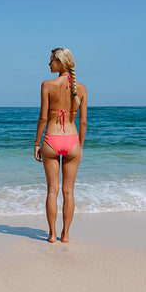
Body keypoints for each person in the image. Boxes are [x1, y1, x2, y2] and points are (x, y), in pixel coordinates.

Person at [34, 47, 87, 243]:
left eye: (51, 61)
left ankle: (52, 234)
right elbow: (82, 122)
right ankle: (65, 235)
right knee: (68, 192)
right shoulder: (81, 89)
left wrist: (37, 143)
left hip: (52, 140)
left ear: (60, 62)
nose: (49, 64)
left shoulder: (47, 85)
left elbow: (43, 118)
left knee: (52, 191)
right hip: (72, 141)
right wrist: (80, 146)